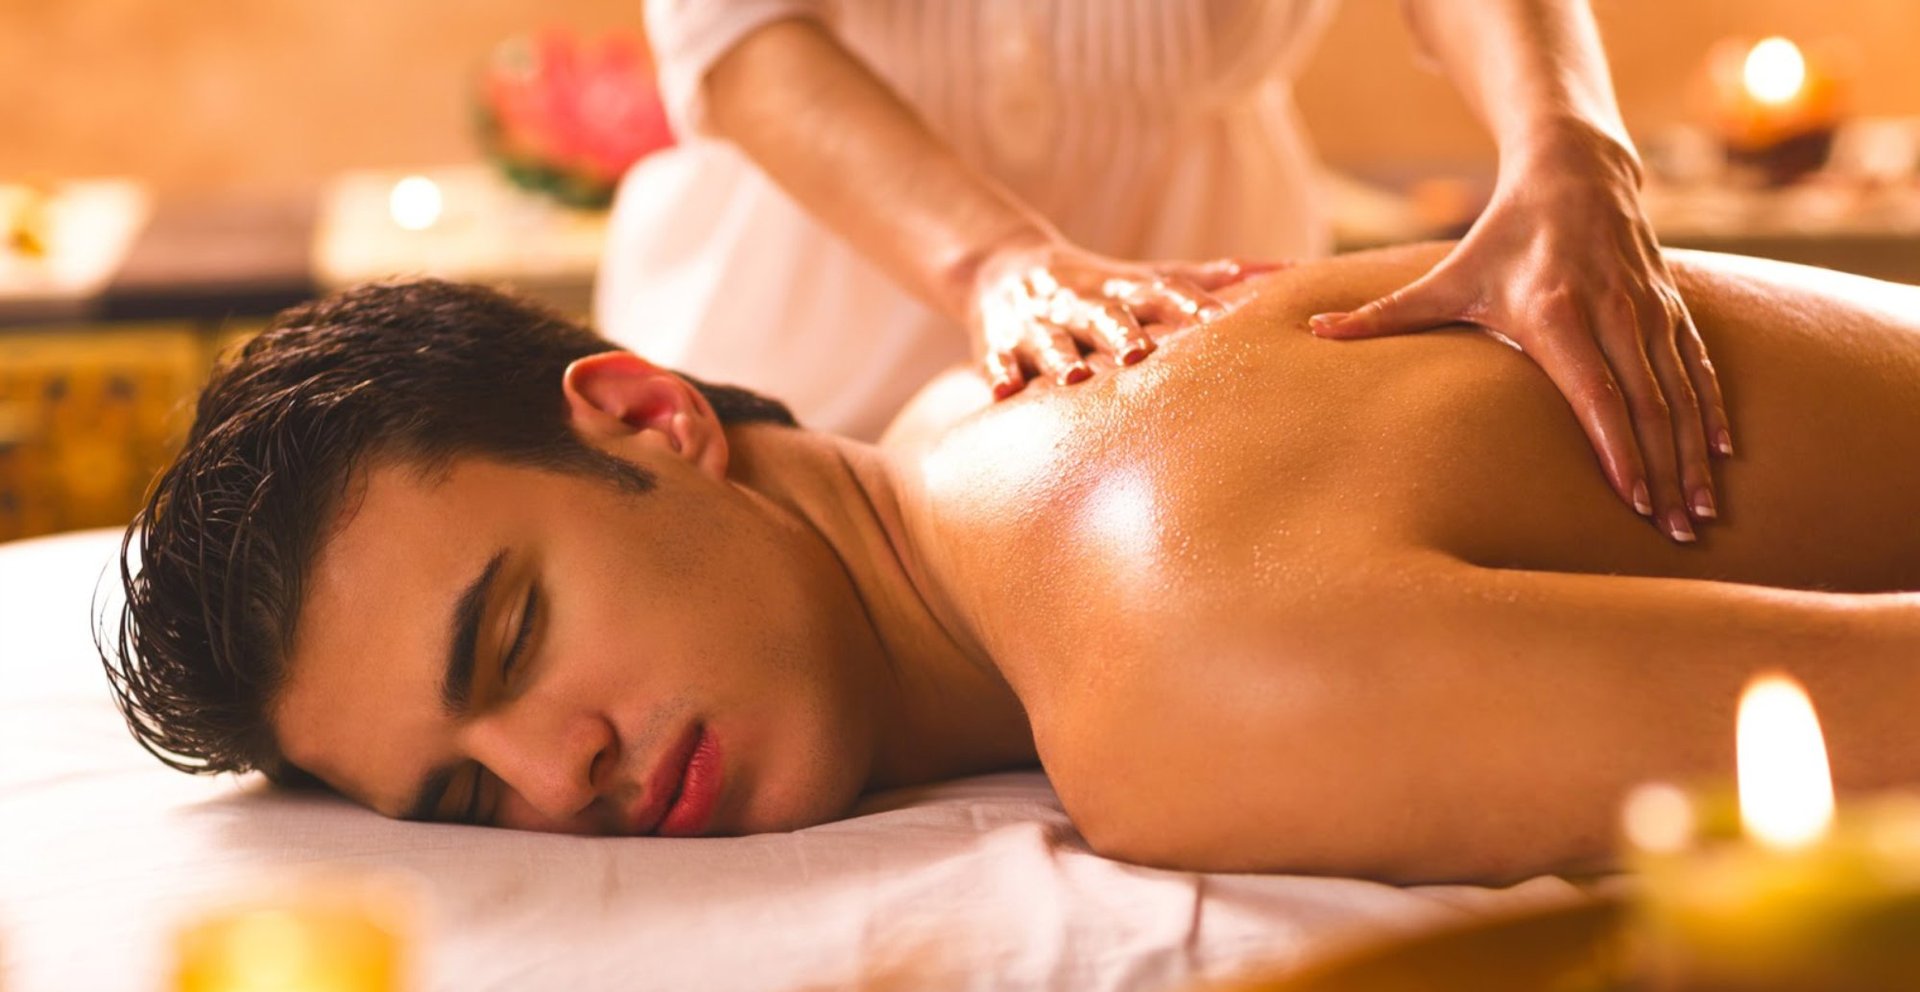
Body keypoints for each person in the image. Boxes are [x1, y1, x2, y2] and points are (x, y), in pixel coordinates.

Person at [105, 243, 1920, 886]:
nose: (552, 776)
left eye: (510, 637)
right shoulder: (971, 411)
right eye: (462, 805)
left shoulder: (1173, 691)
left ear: (650, 417)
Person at [600, 0, 1727, 545]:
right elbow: (744, 36)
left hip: (1187, 295)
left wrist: (1570, 145)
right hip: (806, 302)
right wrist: (995, 263)